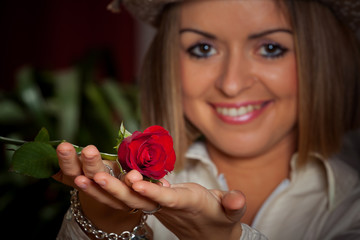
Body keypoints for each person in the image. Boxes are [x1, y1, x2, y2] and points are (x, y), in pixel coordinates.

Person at [54, 0, 360, 239]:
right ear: (169, 64)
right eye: (203, 49)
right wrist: (100, 225)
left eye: (270, 48)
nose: (231, 83)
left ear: (321, 63)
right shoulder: (132, 188)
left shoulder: (352, 205)